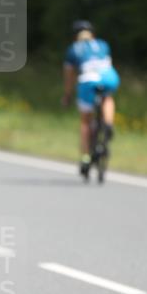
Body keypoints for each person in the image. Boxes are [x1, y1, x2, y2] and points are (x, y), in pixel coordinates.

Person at [61, 19, 120, 177]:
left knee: (86, 121)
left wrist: (67, 95)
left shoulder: (73, 49)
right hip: (109, 77)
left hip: (87, 80)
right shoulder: (102, 44)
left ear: (75, 36)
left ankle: (86, 158)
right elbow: (107, 63)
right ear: (92, 34)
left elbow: (69, 76)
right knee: (107, 97)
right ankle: (108, 124)